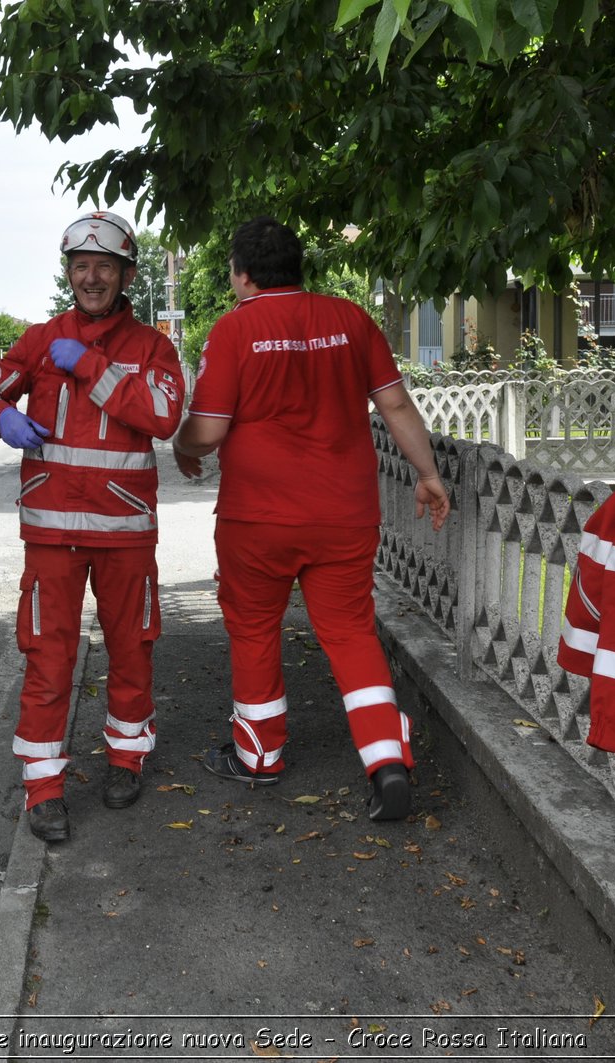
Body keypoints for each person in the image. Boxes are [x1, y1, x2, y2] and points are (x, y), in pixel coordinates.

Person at [172, 216, 450, 821]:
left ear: (240, 275)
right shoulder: (351, 321)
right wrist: (428, 474)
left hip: (258, 519)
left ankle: (261, 756)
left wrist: (179, 445)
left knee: (253, 629)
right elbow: (396, 403)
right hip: (344, 514)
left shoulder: (234, 330)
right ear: (300, 268)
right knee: (350, 632)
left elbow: (210, 430)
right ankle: (387, 762)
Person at [0, 211, 185, 842]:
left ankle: (125, 757)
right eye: (81, 266)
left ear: (126, 276)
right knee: (48, 658)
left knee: (132, 650)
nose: (92, 278)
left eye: (105, 267)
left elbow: (164, 415)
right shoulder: (38, 339)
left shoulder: (152, 347)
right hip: (54, 533)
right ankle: (43, 786)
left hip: (124, 532)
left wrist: (90, 366)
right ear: (68, 273)